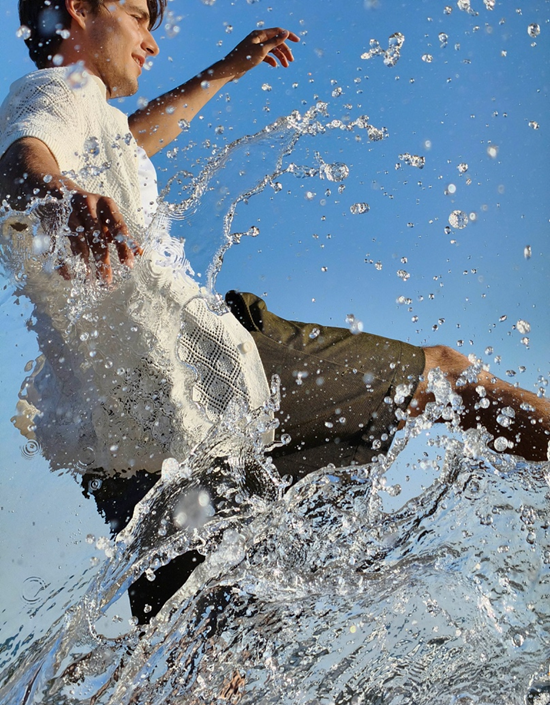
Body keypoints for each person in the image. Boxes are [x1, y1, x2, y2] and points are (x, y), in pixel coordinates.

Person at [0, 0, 548, 623]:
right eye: (137, 15)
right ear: (78, 9)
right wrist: (63, 198)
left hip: (136, 452)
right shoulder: (54, 95)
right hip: (209, 374)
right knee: (445, 377)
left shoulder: (90, 121)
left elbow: (138, 135)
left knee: (203, 660)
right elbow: (22, 162)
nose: (150, 41)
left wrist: (225, 71)